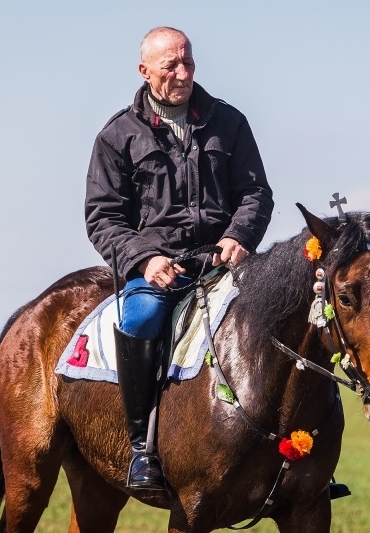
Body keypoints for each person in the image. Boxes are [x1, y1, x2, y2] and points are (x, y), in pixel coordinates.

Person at [84, 26, 274, 490]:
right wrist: (145, 260)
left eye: (188, 62)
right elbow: (102, 217)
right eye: (171, 65)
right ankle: (141, 450)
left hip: (223, 262)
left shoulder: (229, 122)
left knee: (282, 311)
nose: (183, 72)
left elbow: (255, 193)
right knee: (143, 317)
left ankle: (297, 460)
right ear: (145, 70)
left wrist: (238, 236)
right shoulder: (117, 135)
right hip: (158, 270)